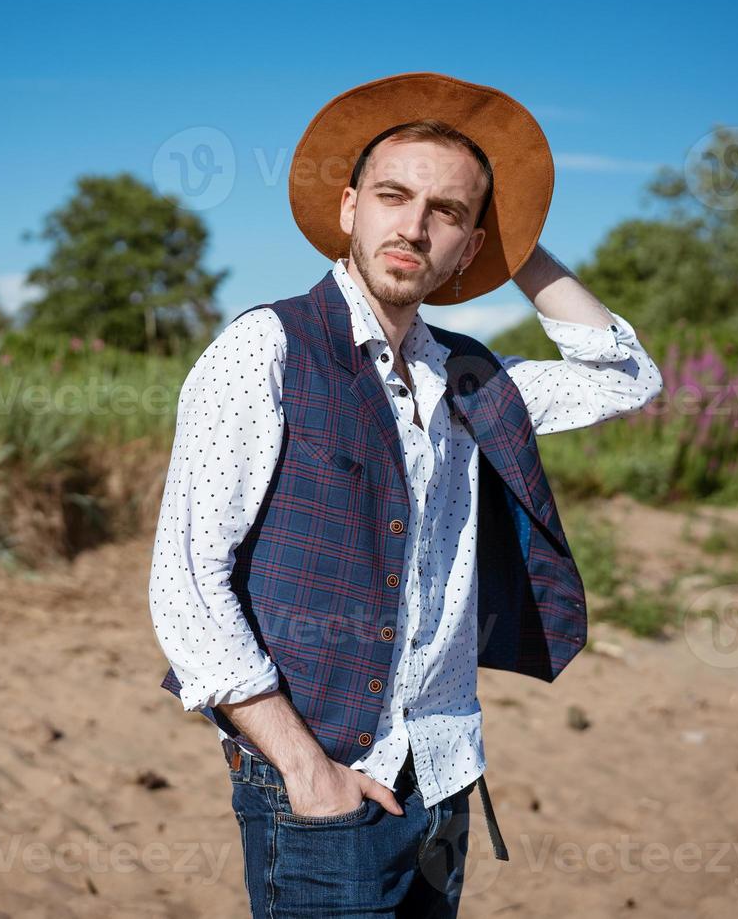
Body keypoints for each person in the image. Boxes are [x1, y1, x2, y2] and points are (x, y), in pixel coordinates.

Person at [148, 72, 664, 917]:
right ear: (349, 208)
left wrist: (517, 243)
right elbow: (189, 582)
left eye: (449, 213)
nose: (415, 227)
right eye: (394, 196)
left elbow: (625, 376)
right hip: (318, 781)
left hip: (445, 771)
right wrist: (304, 769)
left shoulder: (471, 377)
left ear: (469, 245)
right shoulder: (266, 349)